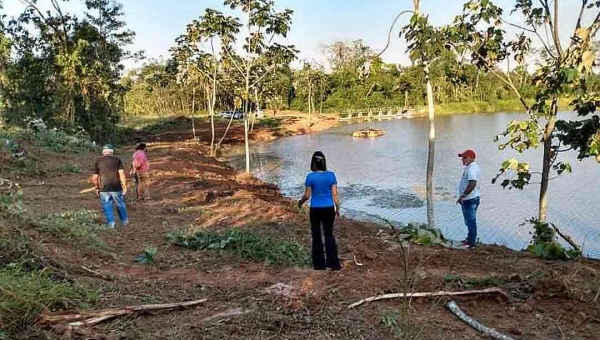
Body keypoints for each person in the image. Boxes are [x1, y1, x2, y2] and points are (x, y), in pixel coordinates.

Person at [298, 151, 342, 270]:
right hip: (328, 209)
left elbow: (307, 195)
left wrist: (300, 202)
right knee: (329, 235)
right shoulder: (331, 175)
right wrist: (338, 208)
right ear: (324, 162)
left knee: (316, 235)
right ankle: (333, 263)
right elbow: (335, 195)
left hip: (315, 209)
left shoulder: (310, 177)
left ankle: (319, 265)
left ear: (313, 163)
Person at [93, 144, 129, 228]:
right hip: (116, 186)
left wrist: (96, 187)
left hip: (104, 188)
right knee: (120, 204)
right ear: (112, 152)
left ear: (103, 152)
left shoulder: (98, 161)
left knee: (107, 205)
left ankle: (111, 223)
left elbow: (95, 178)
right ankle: (124, 221)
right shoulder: (117, 160)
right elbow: (122, 174)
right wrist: (124, 185)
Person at [456, 149, 481, 249]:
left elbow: (473, 183)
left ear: (471, 158)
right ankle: (470, 239)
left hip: (470, 199)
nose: (462, 159)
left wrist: (463, 196)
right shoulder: (473, 167)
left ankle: (471, 243)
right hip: (472, 198)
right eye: (462, 157)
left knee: (470, 221)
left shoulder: (471, 169)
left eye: (464, 157)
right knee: (469, 221)